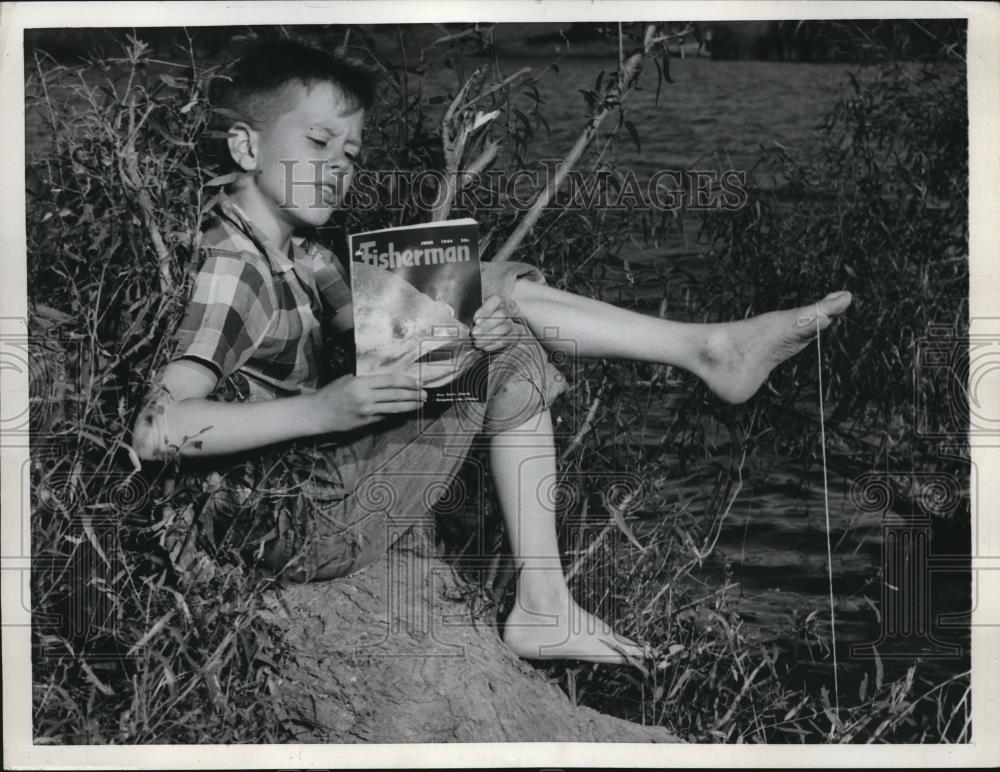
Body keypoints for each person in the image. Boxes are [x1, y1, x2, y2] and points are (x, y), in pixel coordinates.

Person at [132, 38, 852, 665]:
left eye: (350, 154)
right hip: (278, 527)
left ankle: (706, 351)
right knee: (496, 331)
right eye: (317, 144)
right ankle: (704, 358)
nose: (339, 169)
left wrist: (465, 339)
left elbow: (373, 343)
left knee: (493, 304)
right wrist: (323, 409)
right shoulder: (234, 267)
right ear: (246, 146)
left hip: (298, 494)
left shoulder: (303, 255)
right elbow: (158, 429)